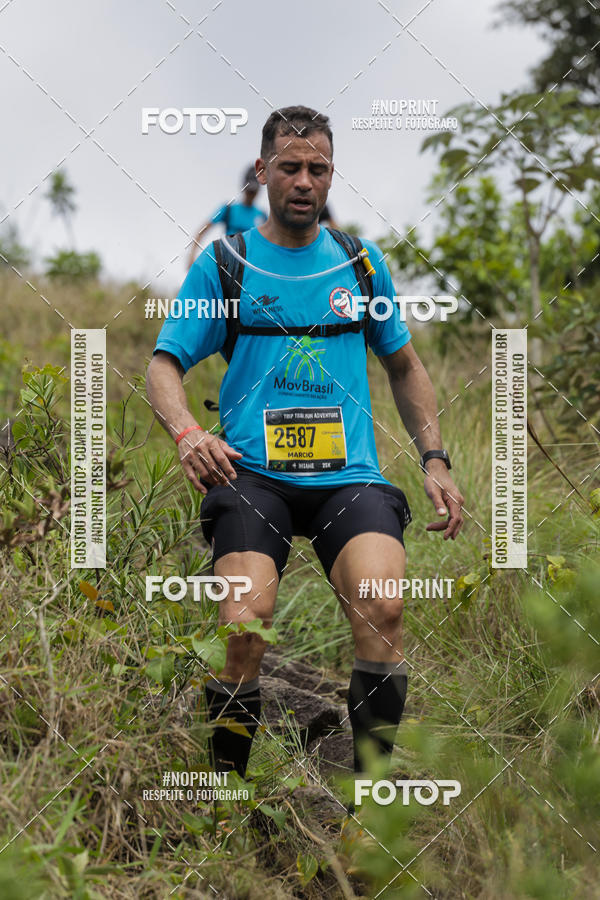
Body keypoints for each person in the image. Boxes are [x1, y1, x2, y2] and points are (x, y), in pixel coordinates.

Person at [146, 105, 464, 785]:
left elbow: (405, 366)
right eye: (289, 167)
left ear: (331, 175)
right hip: (253, 477)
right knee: (243, 622)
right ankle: (225, 796)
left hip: (348, 478)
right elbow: (164, 365)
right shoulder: (226, 264)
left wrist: (435, 458)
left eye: (317, 168)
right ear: (263, 172)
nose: (303, 180)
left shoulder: (360, 263)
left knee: (383, 607)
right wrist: (188, 432)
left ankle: (367, 804)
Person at [187, 165, 267, 269]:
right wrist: (192, 256)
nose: (251, 195)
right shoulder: (229, 209)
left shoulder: (262, 216)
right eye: (249, 190)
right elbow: (203, 230)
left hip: (251, 267)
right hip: (227, 264)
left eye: (253, 191)